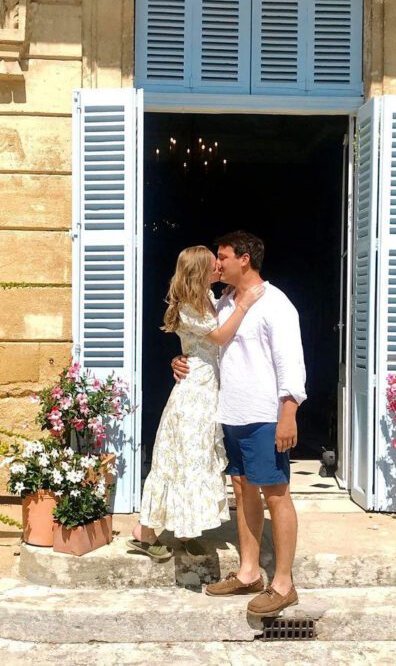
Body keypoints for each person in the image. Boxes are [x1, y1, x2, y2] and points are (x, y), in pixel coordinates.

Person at [172, 231, 306, 617]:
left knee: (276, 495)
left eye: (223, 256)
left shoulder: (275, 304)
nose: (217, 263)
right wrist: (179, 361)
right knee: (243, 489)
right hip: (230, 413)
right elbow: (205, 341)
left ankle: (283, 583)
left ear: (244, 259)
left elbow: (290, 362)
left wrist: (289, 412)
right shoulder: (225, 301)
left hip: (265, 415)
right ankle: (249, 573)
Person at [128, 245, 265, 560]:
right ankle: (145, 534)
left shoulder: (208, 299)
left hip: (206, 389)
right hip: (194, 393)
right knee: (183, 458)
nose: (219, 266)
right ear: (201, 272)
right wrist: (243, 305)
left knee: (196, 458)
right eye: (213, 264)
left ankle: (185, 528)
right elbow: (218, 337)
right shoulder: (189, 306)